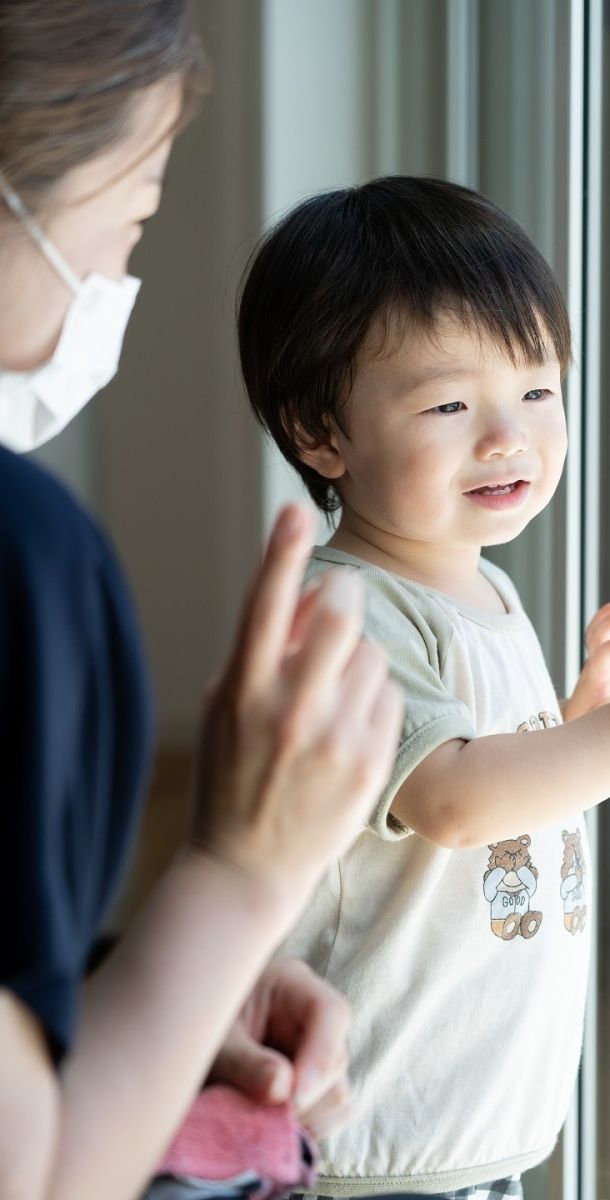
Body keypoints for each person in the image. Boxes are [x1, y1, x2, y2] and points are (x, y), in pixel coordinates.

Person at [0, 4, 403, 1198]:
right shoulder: (27, 563)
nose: (121, 278)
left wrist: (146, 988)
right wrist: (233, 881)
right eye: (130, 222)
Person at [236, 175, 610, 1199]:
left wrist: (574, 716)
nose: (507, 435)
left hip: (466, 1117)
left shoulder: (477, 583)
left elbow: (494, 774)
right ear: (319, 433)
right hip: (379, 1131)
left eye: (535, 389)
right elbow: (449, 798)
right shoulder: (351, 608)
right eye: (448, 403)